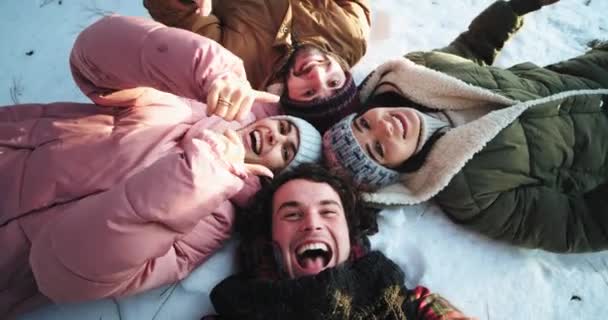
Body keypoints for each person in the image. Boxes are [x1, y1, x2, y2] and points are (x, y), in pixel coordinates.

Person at [0, 15, 323, 316]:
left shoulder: (211, 226)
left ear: (274, 178)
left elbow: (67, 274)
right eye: (283, 128)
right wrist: (207, 70)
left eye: (286, 151)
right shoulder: (184, 106)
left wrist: (201, 174)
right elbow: (92, 53)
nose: (274, 138)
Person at [322, 0, 608, 253]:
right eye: (379, 149)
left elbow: (469, 49)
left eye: (363, 123)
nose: (384, 126)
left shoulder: (416, 75)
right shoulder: (473, 195)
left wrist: (516, 6)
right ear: (394, 171)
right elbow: (579, 225)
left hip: (593, 70)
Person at [207, 164, 474, 319]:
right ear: (269, 237)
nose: (312, 223)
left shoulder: (408, 302)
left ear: (349, 233)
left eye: (328, 211)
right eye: (292, 214)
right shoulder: (240, 308)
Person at [143, 0, 370, 131]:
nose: (316, 74)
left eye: (309, 92)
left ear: (288, 98)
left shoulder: (234, 66)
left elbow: (180, 14)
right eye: (333, 82)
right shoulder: (352, 36)